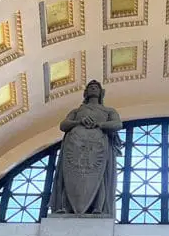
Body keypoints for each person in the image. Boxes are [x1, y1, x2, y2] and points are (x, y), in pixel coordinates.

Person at [49, 80, 122, 216]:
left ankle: (98, 208)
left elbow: (117, 124)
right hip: (75, 146)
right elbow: (63, 125)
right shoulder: (77, 111)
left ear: (101, 93)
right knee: (69, 176)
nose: (93, 89)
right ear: (85, 92)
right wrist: (79, 122)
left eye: (96, 88)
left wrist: (100, 124)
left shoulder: (108, 111)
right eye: (90, 87)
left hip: (98, 147)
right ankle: (66, 207)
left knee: (98, 177)